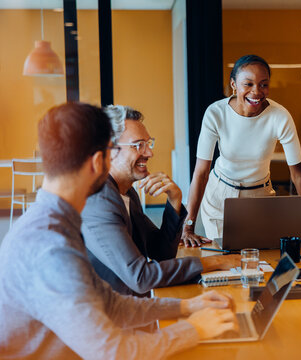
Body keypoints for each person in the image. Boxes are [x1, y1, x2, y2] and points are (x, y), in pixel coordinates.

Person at [0, 102, 237, 359]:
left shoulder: (55, 221)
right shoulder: (52, 246)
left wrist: (187, 306)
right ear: (100, 160)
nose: (149, 153)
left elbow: (109, 304)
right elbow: (113, 352)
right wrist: (194, 329)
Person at [81, 105, 240, 297]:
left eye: (148, 143)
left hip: (132, 305)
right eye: (138, 145)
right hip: (109, 316)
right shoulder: (98, 201)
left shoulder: (126, 192)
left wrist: (174, 201)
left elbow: (161, 253)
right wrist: (218, 261)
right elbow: (141, 277)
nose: (149, 153)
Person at [182, 54, 301, 246]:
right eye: (248, 84)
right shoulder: (215, 113)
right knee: (226, 257)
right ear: (234, 84)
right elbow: (201, 173)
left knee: (262, 259)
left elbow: (298, 175)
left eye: (263, 84)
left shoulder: (280, 116)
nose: (256, 91)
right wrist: (188, 226)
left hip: (261, 196)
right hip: (220, 197)